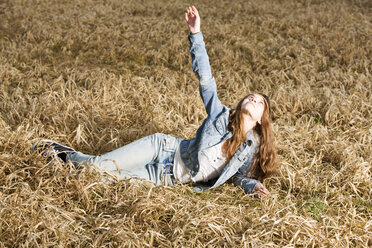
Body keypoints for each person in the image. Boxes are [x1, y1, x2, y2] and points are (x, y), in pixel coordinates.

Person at [33, 6, 277, 198]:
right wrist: (196, 35)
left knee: (99, 179)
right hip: (162, 148)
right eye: (251, 96)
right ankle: (59, 152)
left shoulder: (249, 147)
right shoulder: (221, 116)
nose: (253, 99)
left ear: (259, 121)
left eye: (260, 103)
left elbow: (237, 177)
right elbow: (206, 80)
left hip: (163, 176)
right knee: (98, 167)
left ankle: (65, 160)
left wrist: (253, 187)